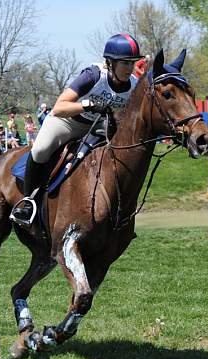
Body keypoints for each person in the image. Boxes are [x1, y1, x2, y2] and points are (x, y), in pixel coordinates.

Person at [11, 33, 144, 226]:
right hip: (68, 122)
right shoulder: (93, 75)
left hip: (97, 127)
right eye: (125, 63)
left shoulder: (133, 86)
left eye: (132, 63)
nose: (129, 68)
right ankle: (28, 201)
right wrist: (89, 105)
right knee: (40, 149)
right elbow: (59, 107)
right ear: (110, 62)